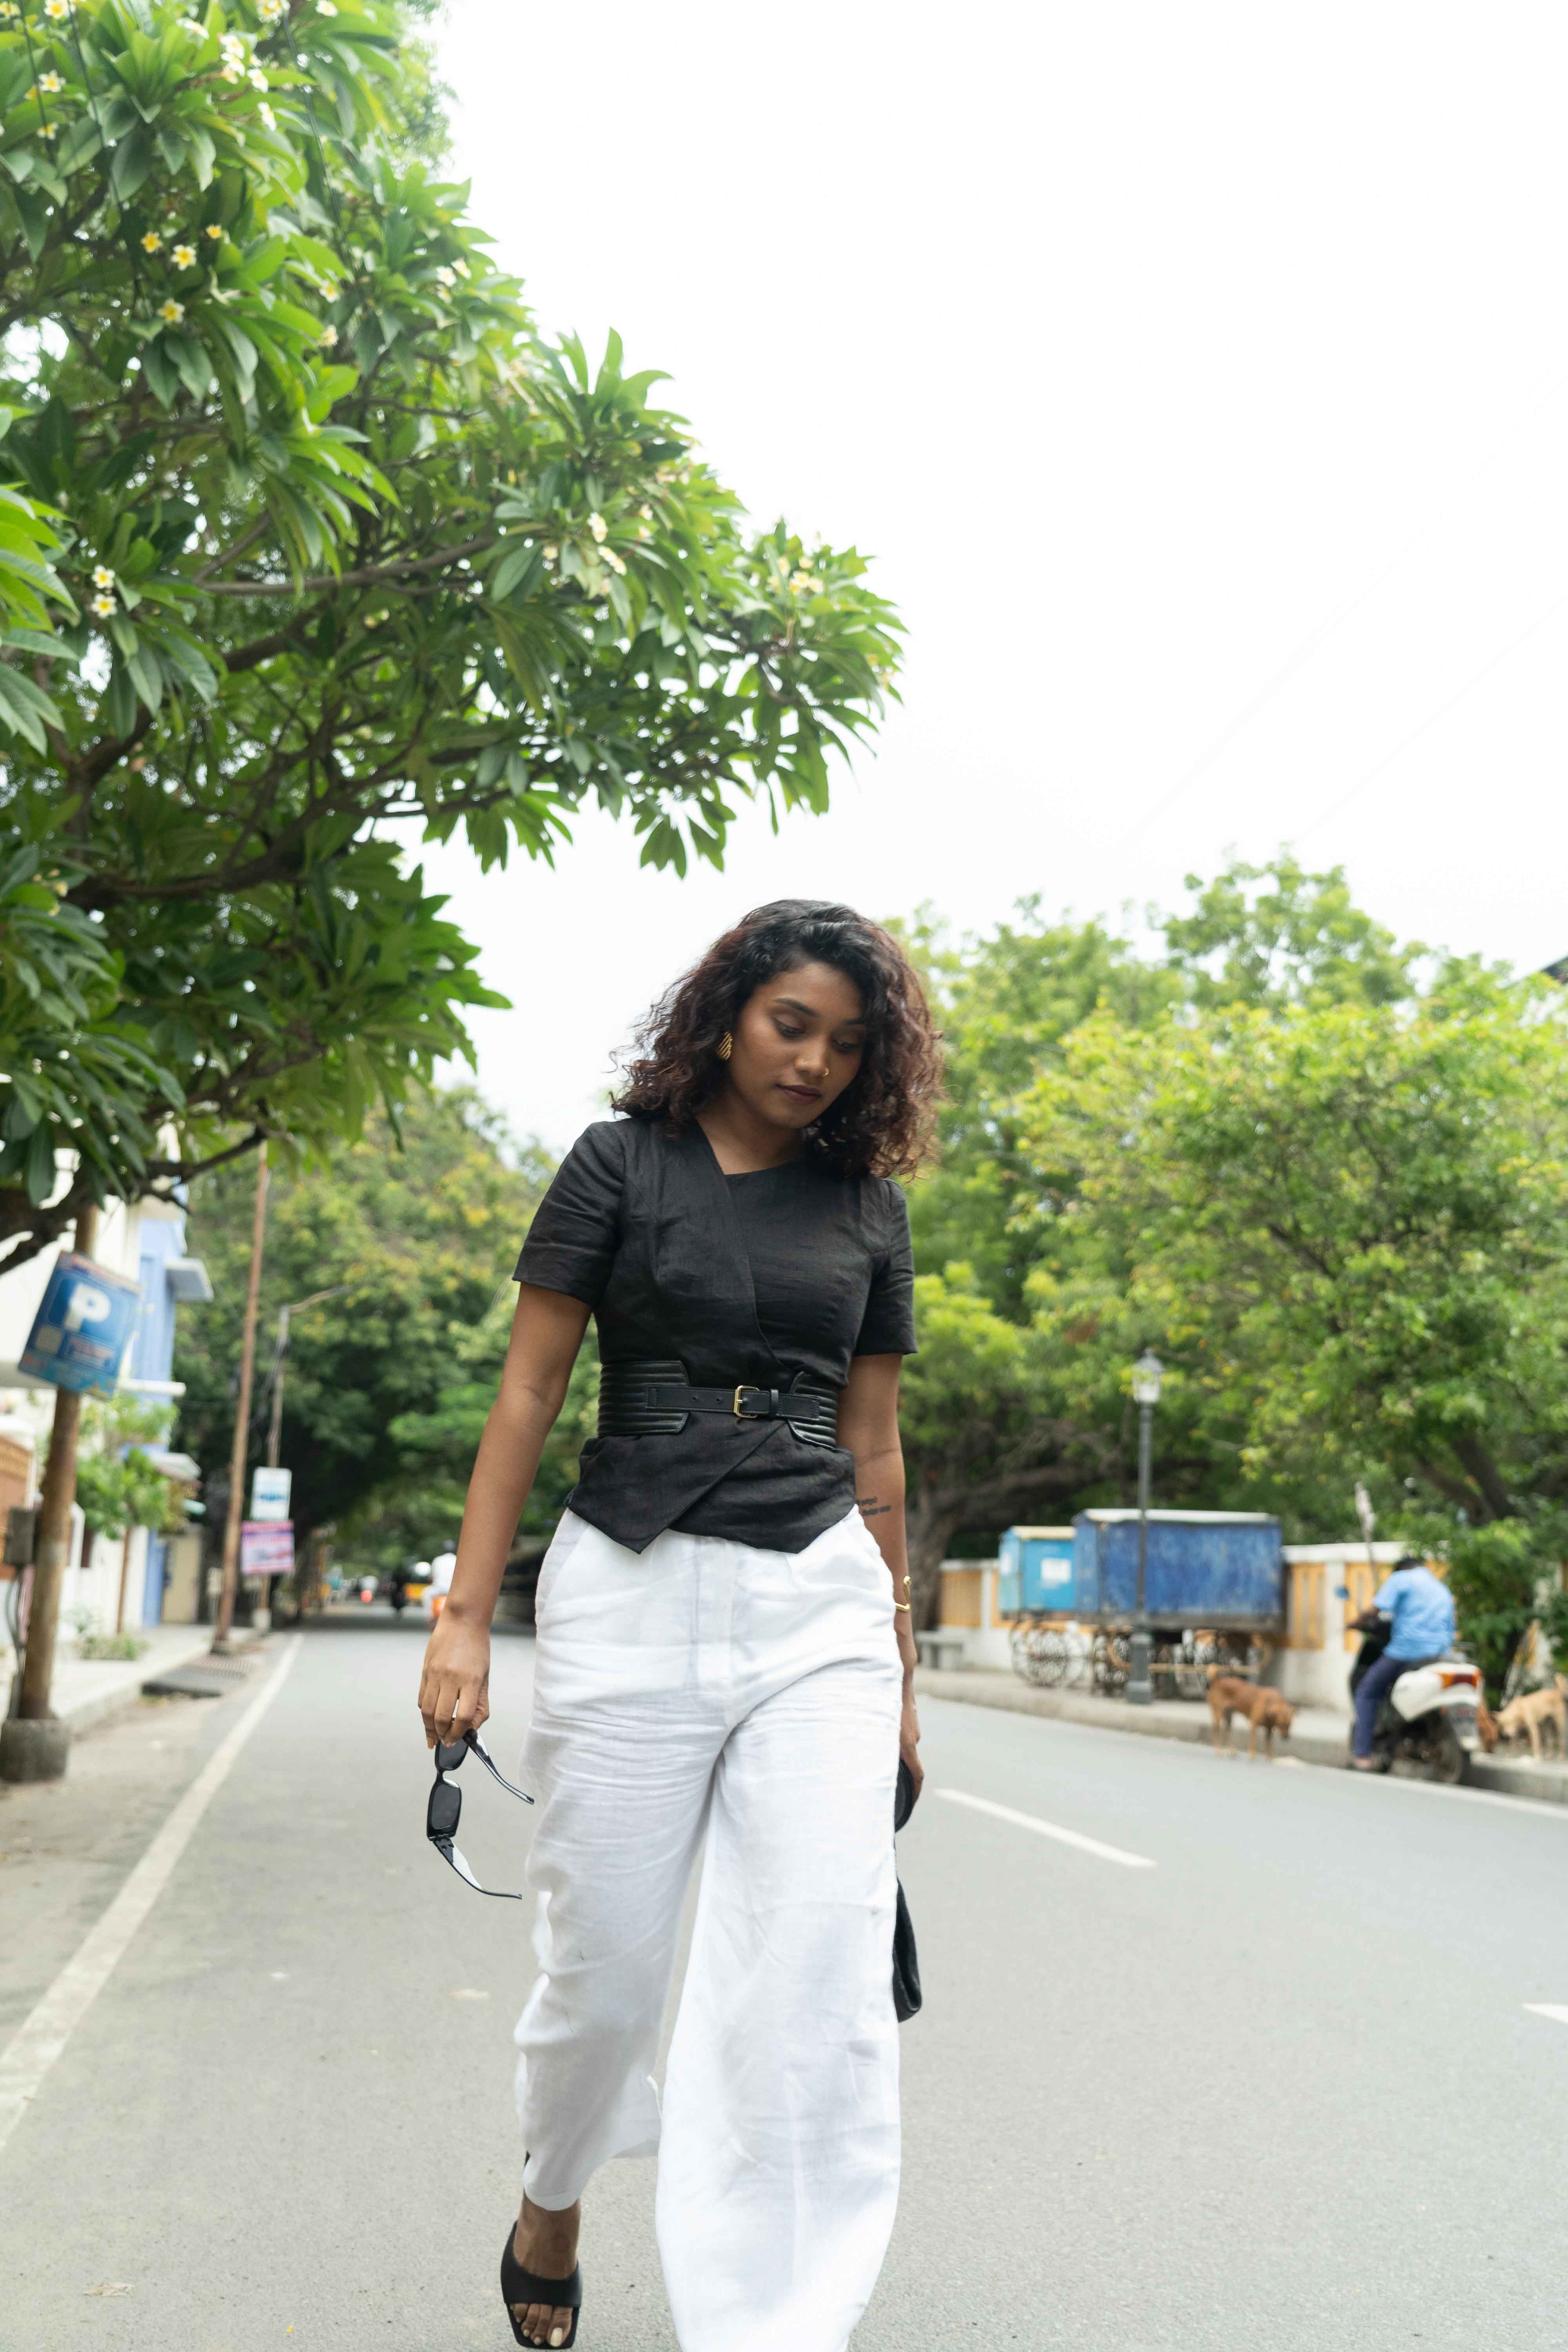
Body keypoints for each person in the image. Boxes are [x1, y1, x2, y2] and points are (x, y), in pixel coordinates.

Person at [417, 900, 941, 2352]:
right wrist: (465, 1618)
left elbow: (876, 1444)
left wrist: (900, 1674)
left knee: (810, 1974)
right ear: (724, 1019)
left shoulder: (868, 1207)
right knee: (603, 1977)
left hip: (818, 1600)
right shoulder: (618, 1162)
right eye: (792, 1025)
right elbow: (529, 1391)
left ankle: (774, 2320)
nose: (816, 1062)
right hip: (630, 1585)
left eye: (850, 1042)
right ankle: (553, 2191)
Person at [1349, 1553, 1457, 1768]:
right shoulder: (1439, 1587)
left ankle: (1362, 1756)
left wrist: (1355, 1623)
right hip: (1441, 1654)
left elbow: (1375, 1609)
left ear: (1401, 1568)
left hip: (1407, 1652)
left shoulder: (1401, 1578)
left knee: (1367, 1691)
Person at [425, 1548, 457, 1623]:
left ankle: (430, 1616)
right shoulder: (458, 1559)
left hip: (438, 1590)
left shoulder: (437, 1560)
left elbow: (432, 1577)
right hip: (454, 1590)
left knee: (426, 1593)